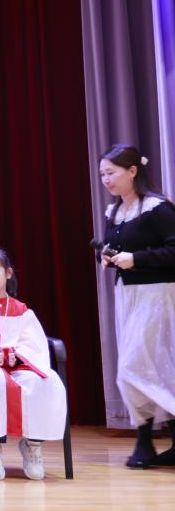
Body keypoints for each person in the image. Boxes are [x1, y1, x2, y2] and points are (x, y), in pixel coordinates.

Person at [97, 144, 175, 468]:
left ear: (132, 171)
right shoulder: (114, 213)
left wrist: (137, 259)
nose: (106, 180)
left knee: (137, 365)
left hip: (158, 293)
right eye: (102, 174)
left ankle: (148, 440)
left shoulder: (157, 209)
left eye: (111, 173)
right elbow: (115, 248)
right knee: (141, 367)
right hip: (127, 295)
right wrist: (106, 256)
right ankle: (145, 441)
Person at [0, 247, 67, 481]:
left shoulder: (22, 311)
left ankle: (32, 445)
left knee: (45, 381)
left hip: (18, 366)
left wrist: (14, 356)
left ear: (8, 273)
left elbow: (34, 344)